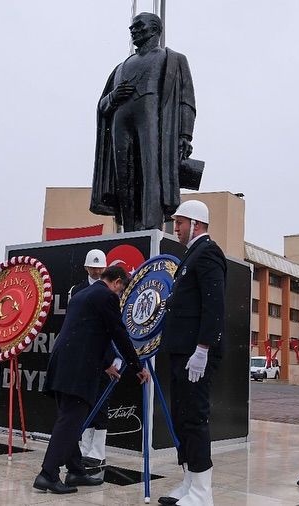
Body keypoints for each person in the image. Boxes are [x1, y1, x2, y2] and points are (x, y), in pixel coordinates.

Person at [34, 266, 149, 495]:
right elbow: (118, 332)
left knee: (70, 420)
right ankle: (47, 474)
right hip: (77, 369)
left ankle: (75, 470)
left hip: (62, 364)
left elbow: (90, 332)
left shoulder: (82, 295)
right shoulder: (106, 297)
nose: (119, 293)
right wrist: (137, 367)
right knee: (70, 422)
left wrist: (107, 363)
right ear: (116, 282)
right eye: (121, 289)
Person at [91, 12, 196, 232]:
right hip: (121, 123)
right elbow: (102, 106)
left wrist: (185, 135)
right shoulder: (120, 68)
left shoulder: (173, 59)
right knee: (124, 178)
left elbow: (186, 100)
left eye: (139, 25)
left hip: (153, 122)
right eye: (132, 26)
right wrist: (113, 97)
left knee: (151, 172)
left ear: (155, 30)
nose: (133, 30)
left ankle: (150, 226)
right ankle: (129, 228)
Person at [159, 200, 226, 506]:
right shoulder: (191, 255)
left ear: (195, 224)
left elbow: (214, 305)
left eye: (179, 222)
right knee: (181, 416)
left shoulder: (208, 252)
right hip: (180, 351)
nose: (176, 228)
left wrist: (203, 348)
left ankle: (202, 491)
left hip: (194, 353)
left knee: (194, 417)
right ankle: (189, 482)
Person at [69, 248, 114, 467]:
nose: (97, 271)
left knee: (101, 403)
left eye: (100, 267)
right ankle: (84, 449)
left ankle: (98, 452)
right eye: (94, 267)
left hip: (104, 354)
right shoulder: (76, 290)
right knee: (83, 401)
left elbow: (112, 327)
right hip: (83, 356)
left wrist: (112, 359)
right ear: (87, 267)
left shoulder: (110, 290)